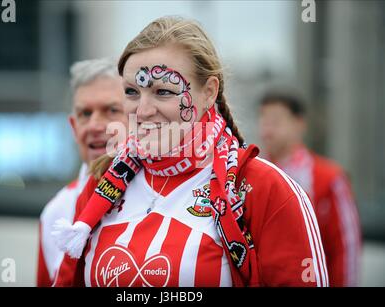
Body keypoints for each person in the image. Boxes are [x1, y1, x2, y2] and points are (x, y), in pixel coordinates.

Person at [52, 16, 328, 287]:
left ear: (209, 92)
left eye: (163, 92)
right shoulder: (102, 184)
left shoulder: (265, 188)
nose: (143, 111)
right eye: (132, 92)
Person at [37, 58, 128, 286]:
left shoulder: (161, 195)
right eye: (85, 114)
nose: (95, 125)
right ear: (73, 126)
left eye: (111, 110)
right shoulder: (54, 213)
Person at [258, 90, 362, 287]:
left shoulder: (330, 178)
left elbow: (346, 248)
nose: (267, 129)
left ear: (299, 125)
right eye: (263, 119)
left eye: (276, 121)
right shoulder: (250, 176)